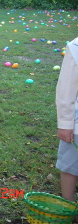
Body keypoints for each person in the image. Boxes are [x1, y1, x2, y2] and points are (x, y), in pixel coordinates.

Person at [55, 37, 78, 202]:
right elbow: (66, 88)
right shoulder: (76, 47)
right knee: (71, 165)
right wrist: (65, 124)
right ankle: (68, 205)